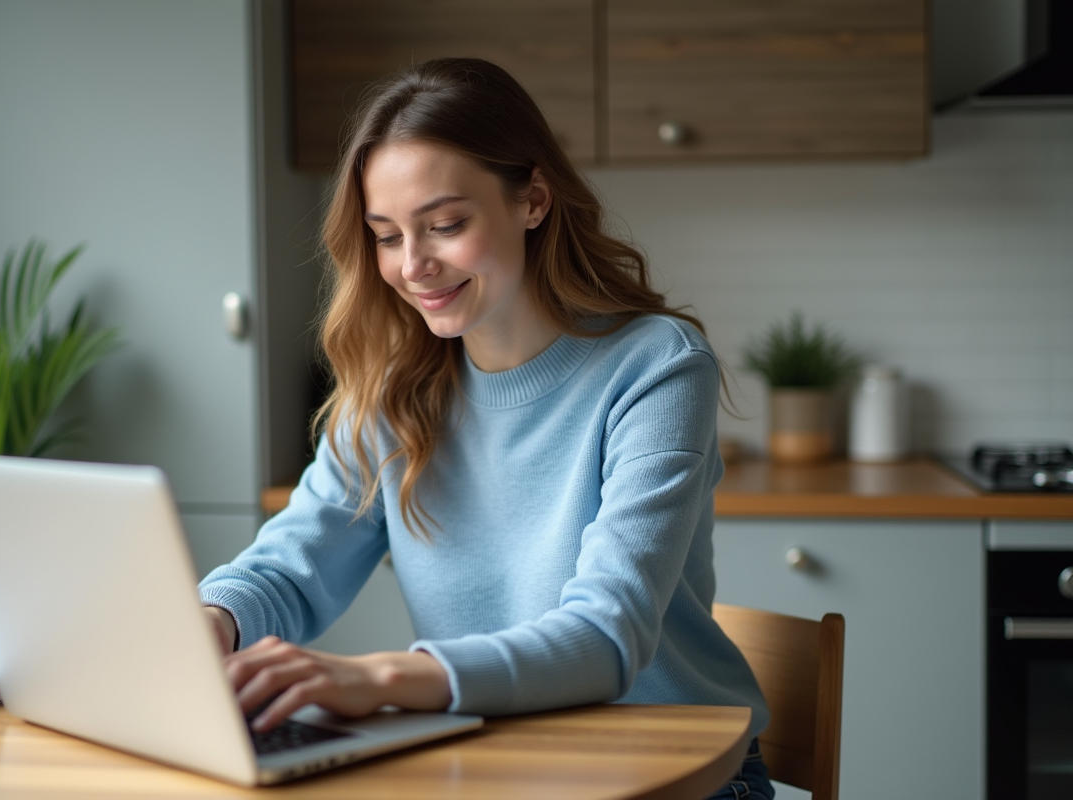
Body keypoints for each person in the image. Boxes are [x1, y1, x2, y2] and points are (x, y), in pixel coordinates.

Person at [199, 57, 773, 799]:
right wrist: (211, 622)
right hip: (496, 767)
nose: (414, 267)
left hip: (673, 773)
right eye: (385, 236)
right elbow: (288, 567)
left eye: (444, 225)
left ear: (532, 200)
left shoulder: (655, 366)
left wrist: (374, 677)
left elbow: (606, 639)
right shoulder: (394, 387)